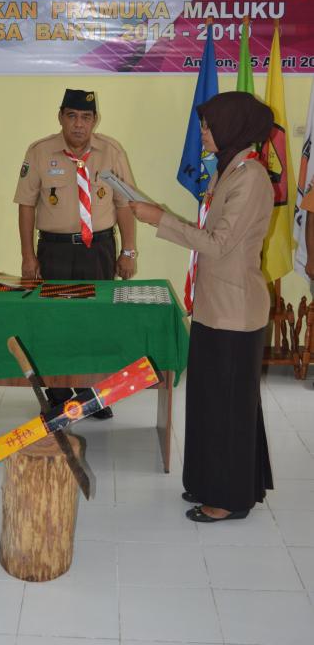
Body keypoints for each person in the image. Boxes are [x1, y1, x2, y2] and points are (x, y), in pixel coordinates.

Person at [131, 91, 274, 521]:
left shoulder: (249, 177)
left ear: (232, 127)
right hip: (216, 304)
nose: (203, 133)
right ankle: (213, 480)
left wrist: (160, 220)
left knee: (228, 404)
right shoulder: (229, 170)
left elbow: (218, 244)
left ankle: (229, 499)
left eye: (208, 126)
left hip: (235, 309)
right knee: (214, 400)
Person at [13, 88, 136, 419]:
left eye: (85, 117)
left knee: (94, 321)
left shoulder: (111, 152)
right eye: (72, 116)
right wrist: (28, 255)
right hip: (53, 249)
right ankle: (57, 392)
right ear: (61, 117)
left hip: (99, 248)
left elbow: (124, 205)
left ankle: (91, 393)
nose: (79, 125)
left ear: (95, 120)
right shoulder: (39, 152)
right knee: (53, 320)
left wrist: (129, 251)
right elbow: (26, 205)